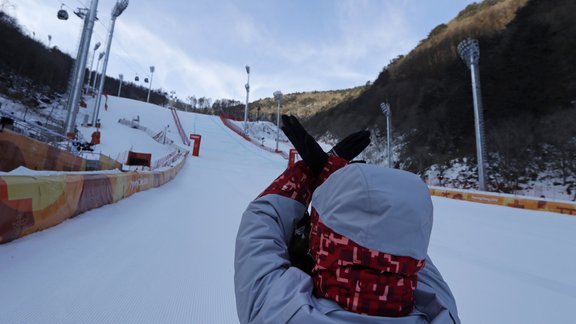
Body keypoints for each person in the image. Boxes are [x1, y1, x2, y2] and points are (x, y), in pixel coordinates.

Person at [235, 115, 460, 323]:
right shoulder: (441, 313)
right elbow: (403, 236)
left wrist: (311, 173)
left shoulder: (276, 310)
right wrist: (336, 175)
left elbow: (262, 220)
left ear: (322, 240)